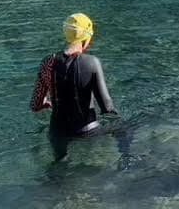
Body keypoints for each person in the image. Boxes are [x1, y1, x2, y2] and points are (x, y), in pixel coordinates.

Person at [30, 13, 118, 158]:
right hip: (88, 130)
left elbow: (35, 104)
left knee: (58, 164)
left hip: (58, 132)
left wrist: (46, 103)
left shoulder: (48, 62)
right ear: (86, 37)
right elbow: (107, 106)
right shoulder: (92, 62)